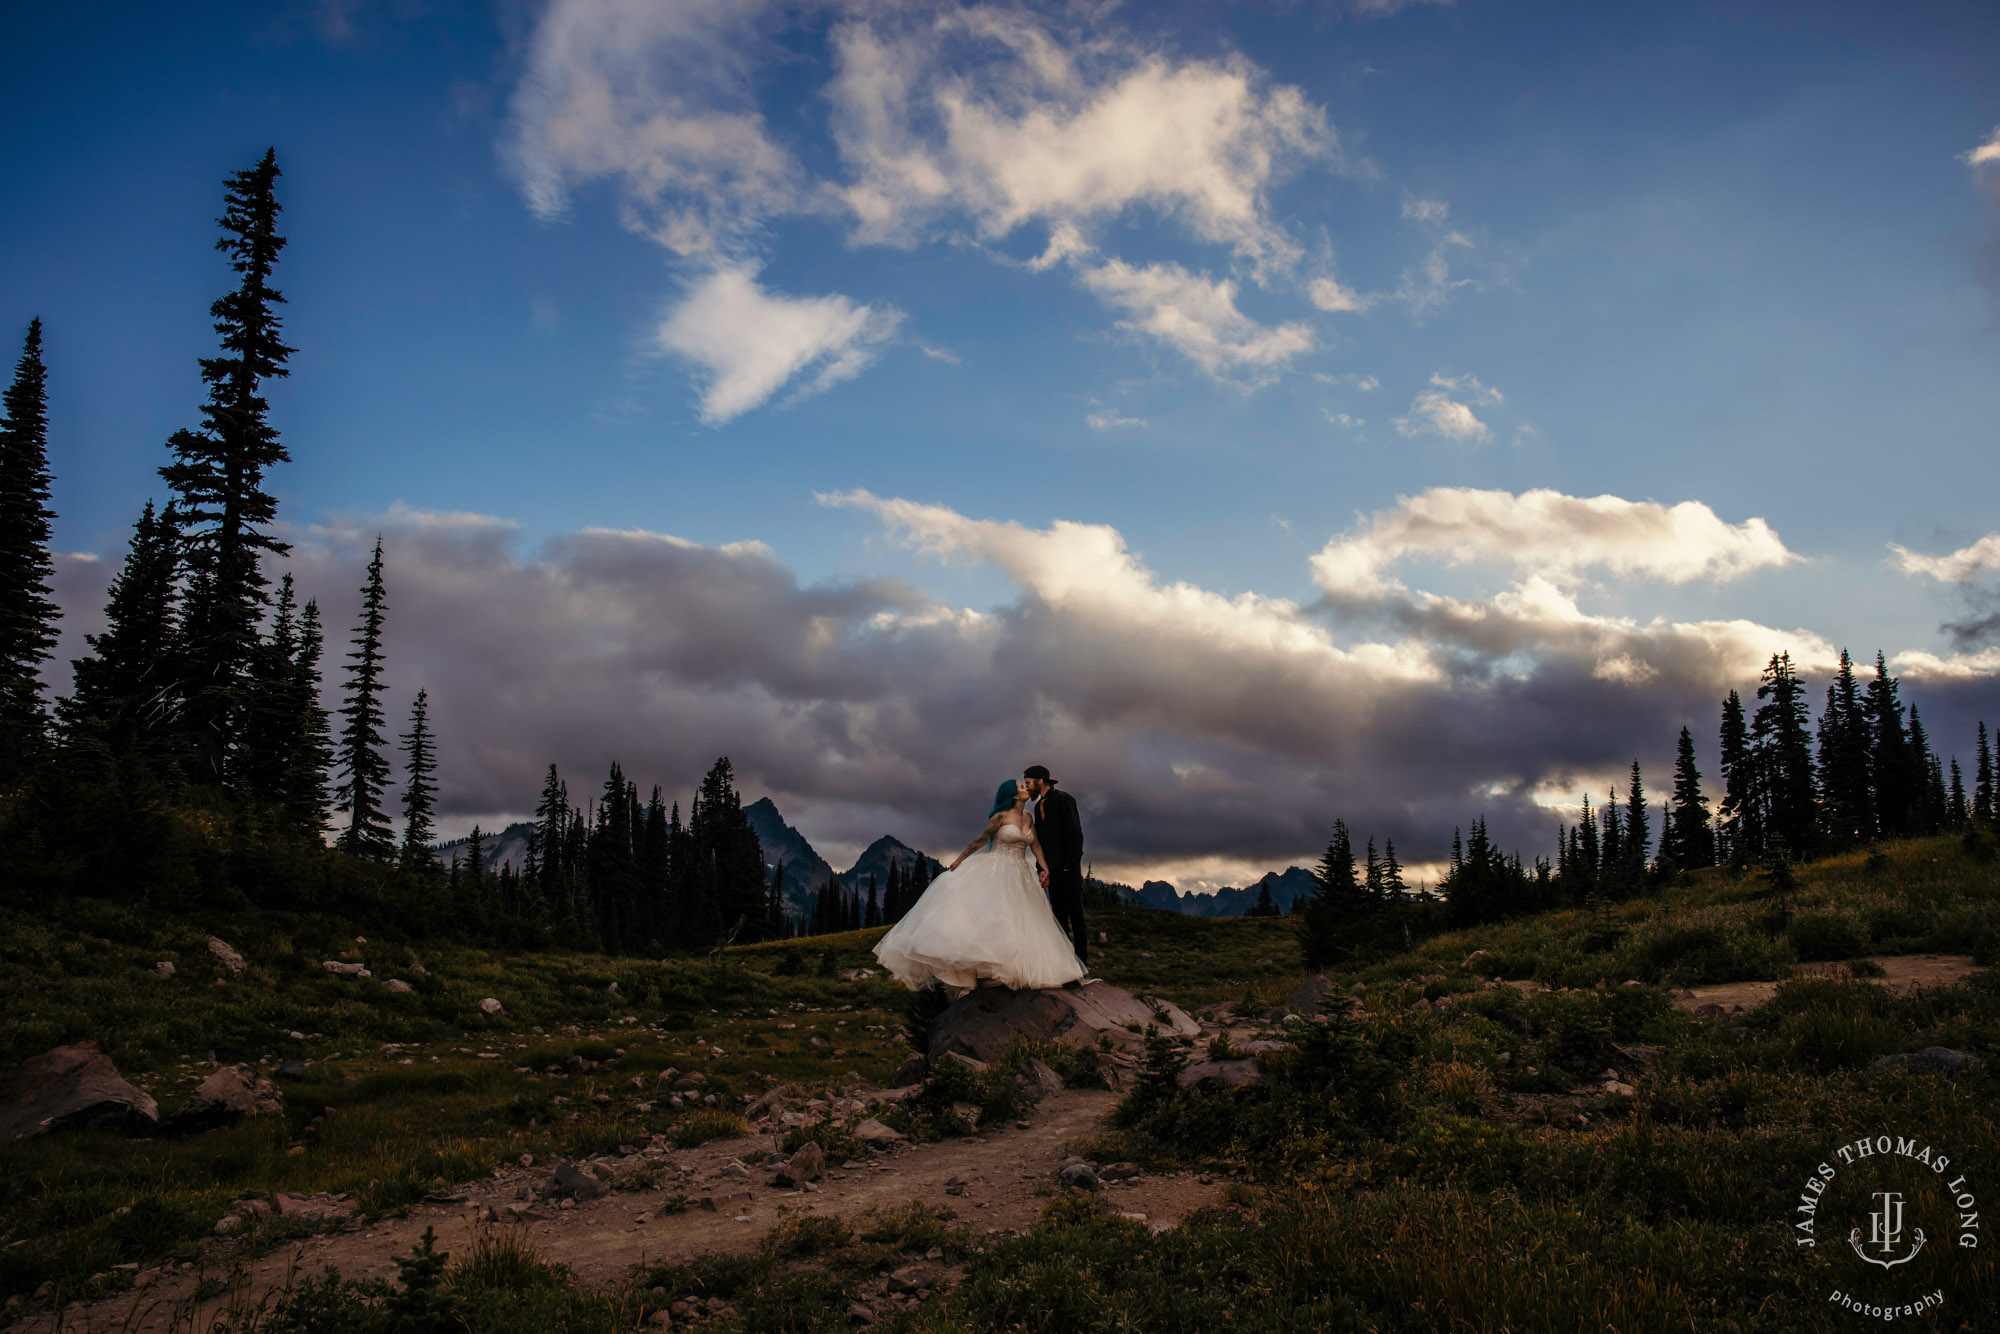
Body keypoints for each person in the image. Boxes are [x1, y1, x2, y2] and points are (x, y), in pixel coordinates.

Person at [872, 778, 1086, 994]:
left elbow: (1036, 846)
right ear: (1012, 794)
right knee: (996, 919)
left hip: (1022, 873)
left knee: (1022, 920)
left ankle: (1010, 968)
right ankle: (987, 971)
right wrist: (960, 860)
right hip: (998, 870)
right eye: (1021, 787)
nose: (1026, 789)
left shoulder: (1029, 818)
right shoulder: (1000, 817)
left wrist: (1045, 868)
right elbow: (981, 841)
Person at [1022, 764, 1087, 970]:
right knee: (1059, 918)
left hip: (1068, 871)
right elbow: (1039, 842)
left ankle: (1082, 964)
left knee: (1076, 917)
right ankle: (1065, 964)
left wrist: (1069, 867)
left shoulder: (1063, 800)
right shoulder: (1038, 806)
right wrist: (1042, 870)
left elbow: (1076, 835)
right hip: (1052, 871)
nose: (1027, 787)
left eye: (1029, 783)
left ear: (1041, 781)